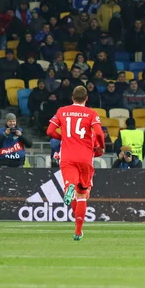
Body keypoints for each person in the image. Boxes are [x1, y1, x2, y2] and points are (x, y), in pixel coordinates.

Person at [46, 86, 105, 241]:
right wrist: (101, 146)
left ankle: (69, 186)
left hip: (67, 156)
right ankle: (78, 231)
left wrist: (64, 137)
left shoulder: (62, 111)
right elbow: (98, 133)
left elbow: (50, 131)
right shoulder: (91, 113)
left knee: (73, 191)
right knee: (83, 195)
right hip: (85, 157)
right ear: (86, 98)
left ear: (72, 97)